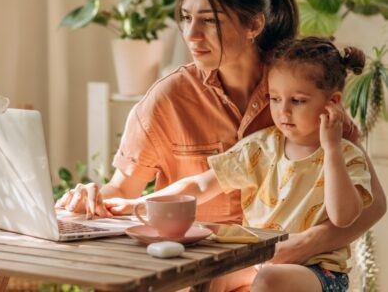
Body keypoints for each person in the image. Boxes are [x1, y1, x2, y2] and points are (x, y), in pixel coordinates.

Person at [56, 0, 386, 290]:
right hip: (202, 271)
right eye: (185, 17)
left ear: (253, 25)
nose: (192, 33)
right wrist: (92, 198)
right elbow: (126, 191)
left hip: (284, 274)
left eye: (209, 20)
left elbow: (372, 204)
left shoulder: (300, 93)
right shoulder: (167, 99)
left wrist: (308, 243)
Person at [103, 37, 376, 291]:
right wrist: (141, 203)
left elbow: (344, 217)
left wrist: (331, 149)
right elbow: (200, 184)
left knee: (269, 280)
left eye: (297, 101)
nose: (283, 111)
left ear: (333, 104)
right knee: (207, 275)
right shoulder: (260, 146)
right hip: (258, 260)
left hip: (320, 273)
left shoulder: (346, 155)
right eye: (275, 99)